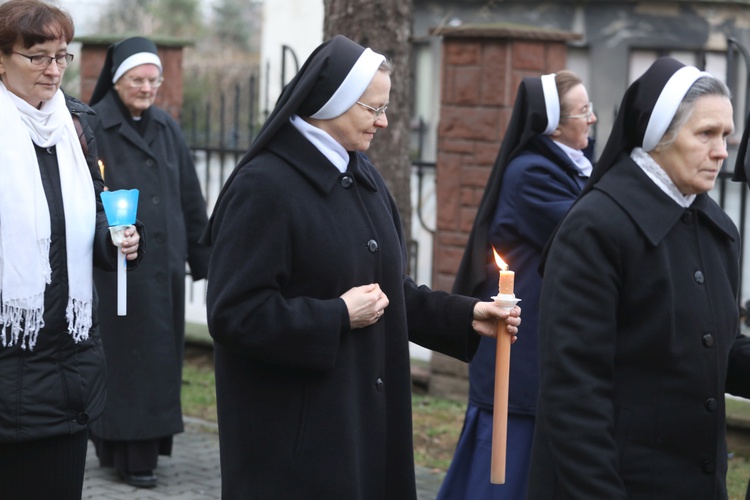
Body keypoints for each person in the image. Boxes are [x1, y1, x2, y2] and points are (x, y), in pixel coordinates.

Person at [201, 34, 521, 499]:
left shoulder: (362, 173)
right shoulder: (264, 186)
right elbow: (234, 314)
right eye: (373, 109)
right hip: (298, 444)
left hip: (366, 426)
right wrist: (336, 315)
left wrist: (466, 315)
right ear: (332, 103)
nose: (385, 121)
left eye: (384, 107)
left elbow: (389, 291)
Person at [526, 56, 750, 499]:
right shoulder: (596, 229)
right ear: (659, 135)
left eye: (726, 135)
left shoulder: (717, 229)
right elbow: (574, 393)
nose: (723, 151)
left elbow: (715, 348)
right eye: (706, 134)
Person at [0, 1, 142, 498]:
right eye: (37, 56)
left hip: (68, 365)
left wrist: (114, 238)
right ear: (1, 59)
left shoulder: (77, 124)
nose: (54, 69)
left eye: (62, 56)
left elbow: (91, 215)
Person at [437, 70, 596, 499]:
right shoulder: (532, 173)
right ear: (553, 124)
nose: (593, 119)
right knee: (502, 471)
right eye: (584, 111)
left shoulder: (572, 167)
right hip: (519, 349)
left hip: (541, 343)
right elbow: (588, 229)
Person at [86, 36, 211, 488]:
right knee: (126, 358)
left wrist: (206, 260)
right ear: (118, 81)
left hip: (164, 270)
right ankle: (126, 452)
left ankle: (140, 449)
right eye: (138, 80)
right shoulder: (92, 124)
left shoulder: (166, 126)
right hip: (117, 266)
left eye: (153, 81)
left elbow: (190, 197)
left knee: (158, 359)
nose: (146, 88)